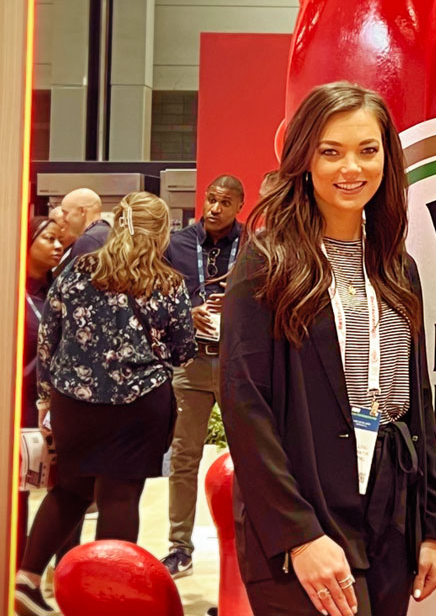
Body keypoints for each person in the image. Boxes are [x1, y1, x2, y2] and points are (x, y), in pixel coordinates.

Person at [220, 82, 436, 616]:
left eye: (368, 151)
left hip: (389, 519)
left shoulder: (396, 267)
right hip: (303, 522)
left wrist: (430, 525)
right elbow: (244, 408)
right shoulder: (266, 264)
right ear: (303, 158)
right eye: (331, 151)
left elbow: (417, 401)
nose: (352, 168)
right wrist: (298, 535)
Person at [14, 192, 197, 616]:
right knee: (119, 497)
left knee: (70, 490)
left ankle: (26, 579)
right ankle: (109, 599)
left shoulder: (77, 270)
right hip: (139, 407)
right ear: (161, 234)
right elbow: (184, 349)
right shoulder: (167, 282)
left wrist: (46, 398)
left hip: (74, 404)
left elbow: (49, 336)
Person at [160, 173, 245, 578]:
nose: (214, 208)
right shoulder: (176, 245)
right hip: (190, 363)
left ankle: (251, 543)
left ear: (238, 207)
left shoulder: (252, 246)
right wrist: (183, 313)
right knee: (183, 457)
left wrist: (237, 304)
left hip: (235, 362)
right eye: (211, 199)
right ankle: (179, 546)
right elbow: (155, 295)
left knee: (251, 455)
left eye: (224, 202)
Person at [15, 216, 64, 567]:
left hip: (62, 406)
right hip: (20, 405)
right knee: (18, 490)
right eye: (49, 239)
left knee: (66, 490)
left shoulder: (60, 291)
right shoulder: (8, 293)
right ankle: (16, 566)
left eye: (60, 240)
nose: (58, 246)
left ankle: (65, 569)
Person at [51, 188, 109, 280]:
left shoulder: (88, 240)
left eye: (66, 213)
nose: (64, 219)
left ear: (82, 211)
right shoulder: (107, 233)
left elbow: (78, 289)